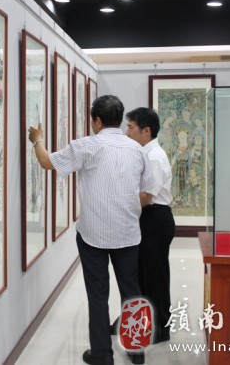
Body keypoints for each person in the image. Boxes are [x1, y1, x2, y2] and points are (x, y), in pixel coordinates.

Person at [29, 95, 154, 365]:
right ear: (118, 119)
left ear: (97, 121)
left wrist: (37, 140)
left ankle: (101, 354)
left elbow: (47, 162)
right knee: (131, 290)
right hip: (127, 233)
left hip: (93, 235)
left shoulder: (86, 146)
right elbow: (146, 193)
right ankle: (136, 351)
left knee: (98, 295)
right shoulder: (138, 150)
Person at [125, 107, 176, 344]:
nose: (127, 133)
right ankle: (143, 322)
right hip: (148, 218)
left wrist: (119, 203)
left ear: (146, 131)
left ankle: (159, 328)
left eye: (131, 127)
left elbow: (146, 197)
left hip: (155, 219)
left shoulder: (154, 157)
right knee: (143, 273)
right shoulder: (145, 153)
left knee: (154, 275)